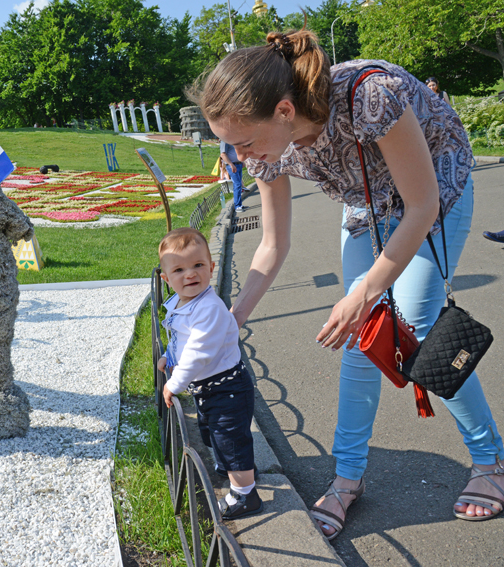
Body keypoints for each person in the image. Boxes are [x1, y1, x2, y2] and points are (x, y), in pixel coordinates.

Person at [189, 27, 504, 539]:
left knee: (419, 321)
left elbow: (421, 205)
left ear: (285, 112)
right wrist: (230, 318)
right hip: (369, 201)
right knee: (363, 337)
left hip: (434, 188)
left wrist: (363, 292)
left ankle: (491, 464)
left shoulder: (369, 95)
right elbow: (271, 245)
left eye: (244, 142)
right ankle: (347, 478)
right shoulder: (269, 151)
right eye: (231, 146)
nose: (240, 158)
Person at [157, 228, 263, 519]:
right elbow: (181, 339)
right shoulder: (182, 303)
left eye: (198, 265)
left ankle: (245, 495)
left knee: (230, 439)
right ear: (166, 279)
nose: (190, 274)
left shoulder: (208, 309)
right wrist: (168, 355)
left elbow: (198, 351)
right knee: (213, 434)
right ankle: (236, 471)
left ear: (212, 267)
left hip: (227, 389)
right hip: (209, 388)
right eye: (179, 269)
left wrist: (175, 383)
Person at [219, 139, 245, 212]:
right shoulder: (224, 141)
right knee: (237, 184)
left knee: (239, 184)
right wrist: (231, 164)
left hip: (238, 164)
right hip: (232, 165)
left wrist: (241, 161)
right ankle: (237, 206)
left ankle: (239, 204)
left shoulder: (232, 139)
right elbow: (223, 154)